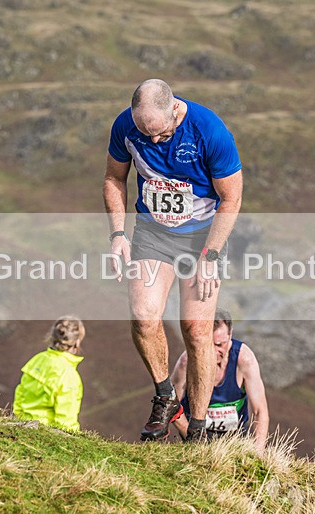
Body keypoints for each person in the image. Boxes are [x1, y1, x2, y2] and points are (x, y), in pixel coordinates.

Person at [103, 79, 243, 442]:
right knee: (144, 316)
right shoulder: (126, 127)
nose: (151, 141)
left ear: (174, 111)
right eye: (143, 132)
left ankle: (197, 429)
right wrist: (118, 234)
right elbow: (114, 178)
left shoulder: (209, 131)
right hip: (153, 232)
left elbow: (231, 199)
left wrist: (210, 255)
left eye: (160, 134)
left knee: (196, 331)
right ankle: (166, 396)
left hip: (203, 237)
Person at [170, 308, 270, 452]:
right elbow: (171, 404)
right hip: (196, 437)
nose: (214, 351)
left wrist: (258, 453)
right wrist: (192, 437)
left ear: (230, 335)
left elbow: (260, 410)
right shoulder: (187, 362)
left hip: (236, 436)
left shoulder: (244, 359)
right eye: (209, 344)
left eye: (220, 345)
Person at [13, 316, 86, 432]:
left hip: (23, 425)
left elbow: (20, 394)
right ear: (76, 342)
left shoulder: (36, 360)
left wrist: (19, 421)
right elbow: (66, 419)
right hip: (48, 434)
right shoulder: (69, 375)